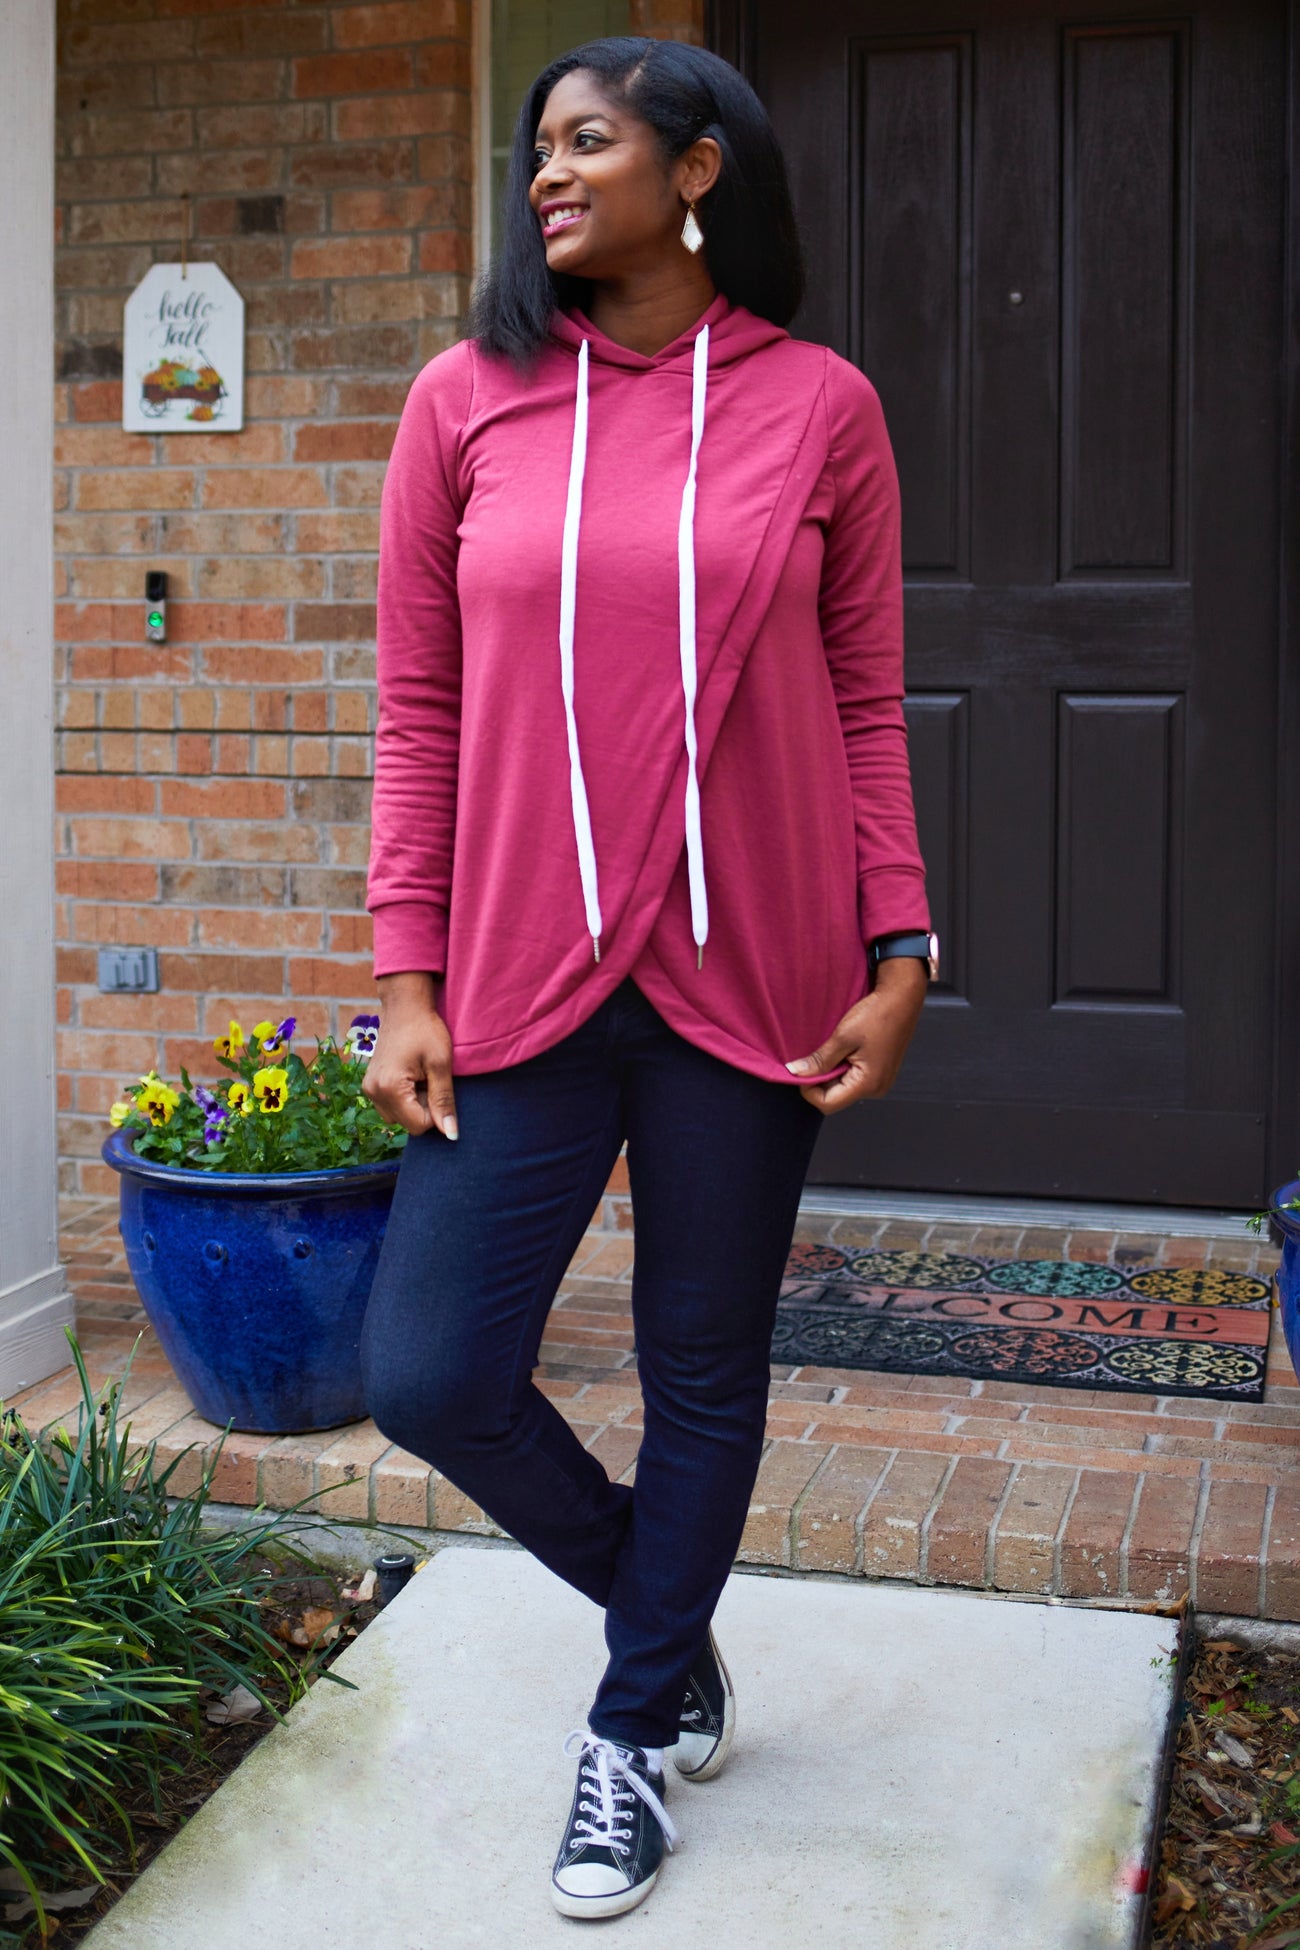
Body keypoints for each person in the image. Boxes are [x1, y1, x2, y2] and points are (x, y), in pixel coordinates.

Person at [359, 34, 934, 1921]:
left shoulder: (822, 406)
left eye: (586, 141)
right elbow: (419, 711)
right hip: (519, 974)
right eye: (536, 147)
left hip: (752, 975)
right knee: (431, 1369)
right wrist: (408, 971)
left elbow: (866, 699)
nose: (545, 173)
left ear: (698, 170)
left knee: (703, 1362)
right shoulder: (465, 400)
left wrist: (902, 942)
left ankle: (626, 1741)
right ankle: (665, 1620)